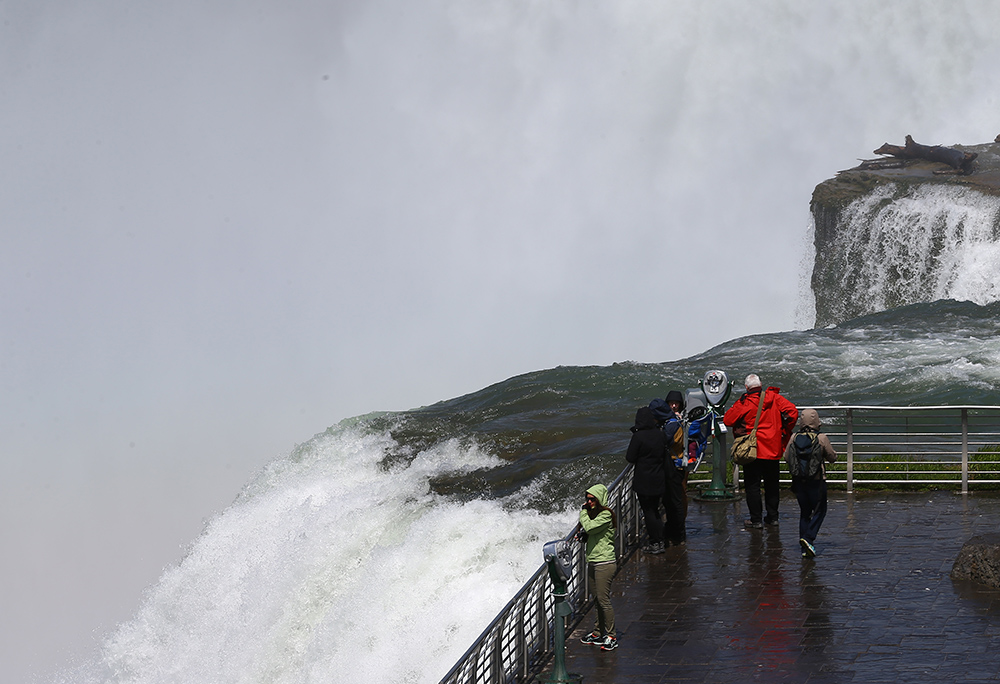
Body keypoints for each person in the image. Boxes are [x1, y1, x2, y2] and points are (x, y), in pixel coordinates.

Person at [723, 374, 798, 529]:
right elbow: (792, 412)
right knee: (772, 485)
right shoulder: (774, 398)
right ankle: (773, 517)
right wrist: (784, 429)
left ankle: (756, 520)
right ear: (761, 384)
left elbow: (728, 420)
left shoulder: (744, 402)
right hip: (772, 448)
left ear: (746, 387)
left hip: (752, 450)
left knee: (752, 486)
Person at [785, 408, 837, 558]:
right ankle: (808, 538)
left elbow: (787, 457)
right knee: (820, 511)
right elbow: (832, 457)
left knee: (804, 513)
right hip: (817, 480)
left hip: (798, 481)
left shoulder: (794, 437)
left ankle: (805, 548)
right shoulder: (821, 437)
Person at [578, 484, 618, 651]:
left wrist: (582, 512)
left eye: (592, 499)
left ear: (600, 499)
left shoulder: (606, 515)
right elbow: (590, 532)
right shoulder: (594, 515)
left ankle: (611, 636)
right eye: (587, 499)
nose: (589, 502)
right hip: (593, 561)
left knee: (603, 600)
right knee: (596, 600)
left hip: (604, 563)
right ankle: (597, 632)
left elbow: (589, 527)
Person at [625, 407, 667, 554]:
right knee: (655, 511)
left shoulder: (638, 437)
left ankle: (655, 542)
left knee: (648, 512)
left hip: (644, 481)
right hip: (659, 478)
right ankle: (660, 541)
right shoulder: (660, 434)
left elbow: (630, 457)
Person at [662, 390, 689, 545]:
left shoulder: (677, 422)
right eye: (671, 403)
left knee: (678, 497)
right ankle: (677, 529)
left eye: (676, 403)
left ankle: (678, 531)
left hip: (677, 463)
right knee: (676, 498)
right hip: (677, 462)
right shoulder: (672, 420)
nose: (673, 406)